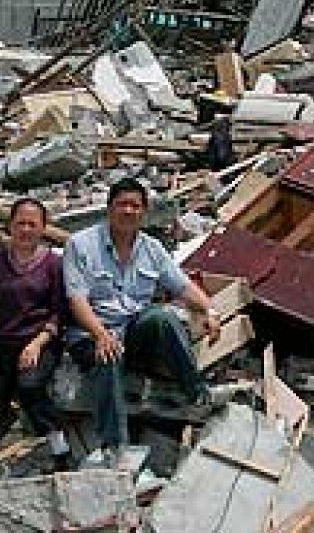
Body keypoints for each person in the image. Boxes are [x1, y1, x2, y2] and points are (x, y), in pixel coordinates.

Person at [63, 177, 218, 454]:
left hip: (134, 333)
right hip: (91, 334)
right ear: (109, 208)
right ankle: (116, 446)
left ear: (144, 212)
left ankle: (198, 393)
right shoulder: (81, 245)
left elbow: (181, 286)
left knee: (162, 317)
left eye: (135, 206)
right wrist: (101, 335)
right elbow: (77, 300)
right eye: (122, 204)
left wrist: (209, 310)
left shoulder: (151, 248)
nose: (128, 211)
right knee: (108, 354)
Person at [0, 197, 70, 480]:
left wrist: (36, 344)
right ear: (10, 226)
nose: (26, 230)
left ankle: (59, 447)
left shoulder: (54, 264)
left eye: (32, 224)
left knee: (30, 385)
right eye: (20, 223)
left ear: (43, 228)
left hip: (40, 342)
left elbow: (59, 312)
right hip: (2, 343)